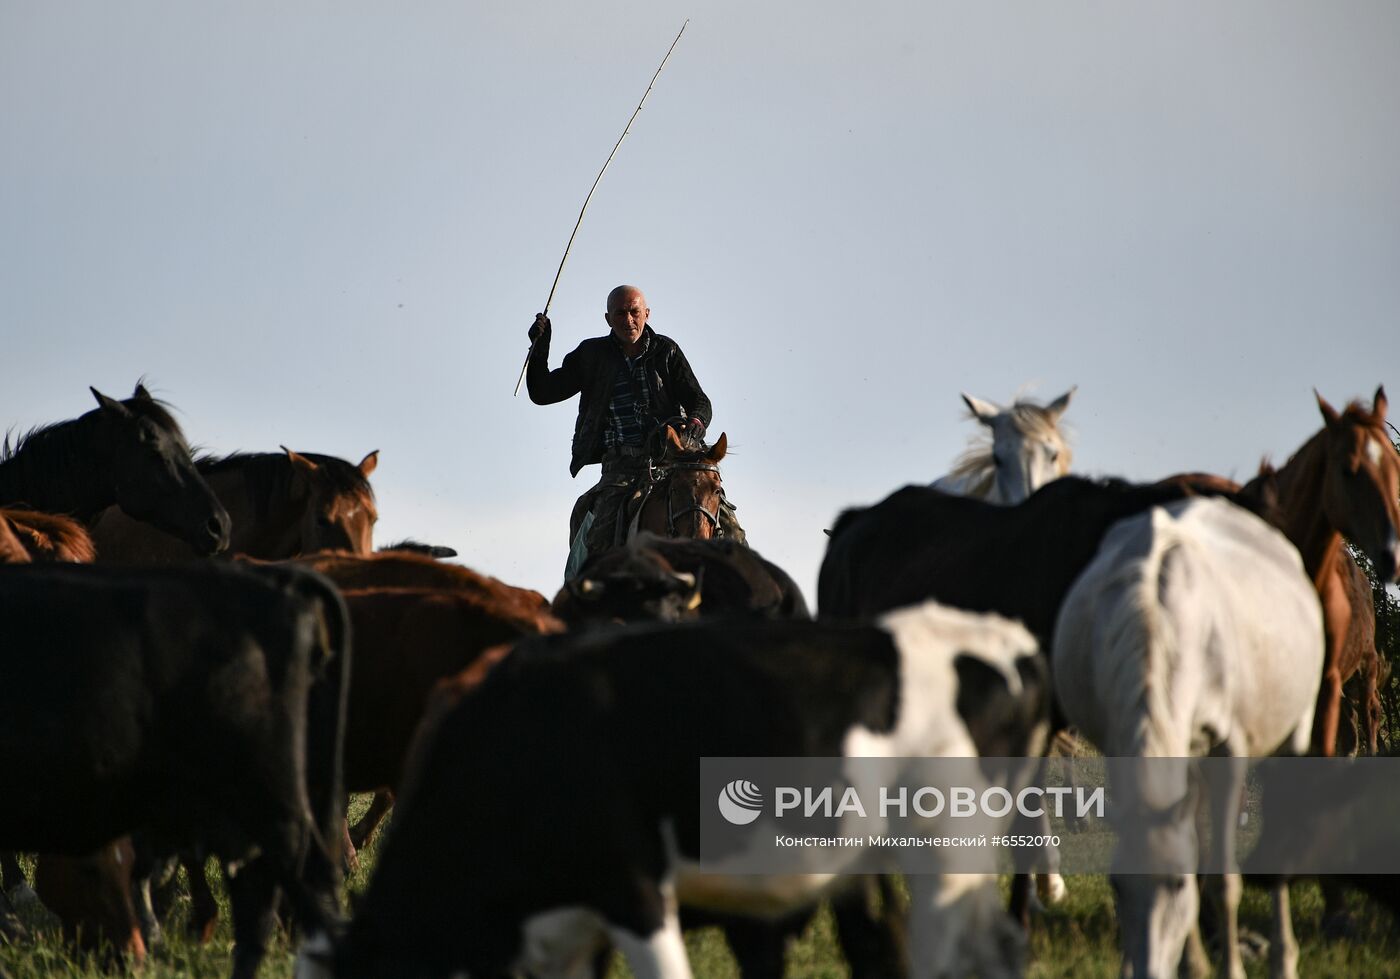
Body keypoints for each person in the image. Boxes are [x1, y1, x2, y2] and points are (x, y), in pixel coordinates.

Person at [525, 285, 743, 577]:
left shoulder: (667, 351)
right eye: (620, 314)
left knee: (728, 524)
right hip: (620, 468)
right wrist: (539, 348)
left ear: (646, 314)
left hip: (672, 460)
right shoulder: (592, 355)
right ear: (607, 319)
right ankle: (592, 598)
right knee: (600, 538)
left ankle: (747, 592)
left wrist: (692, 429)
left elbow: (700, 402)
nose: (628, 320)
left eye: (634, 312)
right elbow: (542, 392)